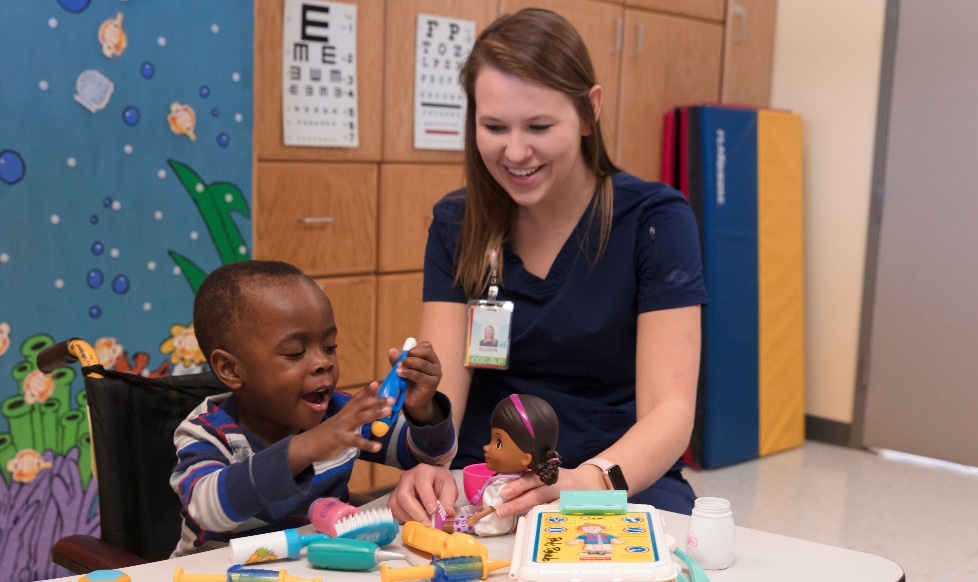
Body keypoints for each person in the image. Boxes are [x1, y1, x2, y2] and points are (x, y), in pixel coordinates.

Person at [387, 7, 706, 526]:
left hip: (618, 474)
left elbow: (670, 414)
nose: (515, 151)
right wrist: (431, 466)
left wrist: (584, 484)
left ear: (588, 112)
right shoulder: (457, 223)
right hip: (487, 478)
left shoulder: (654, 221)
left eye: (539, 125)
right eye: (493, 126)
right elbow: (442, 396)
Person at [169, 260, 456, 556]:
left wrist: (423, 408)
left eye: (330, 346)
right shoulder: (206, 432)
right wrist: (306, 447)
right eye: (295, 352)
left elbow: (429, 457)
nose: (324, 362)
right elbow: (206, 508)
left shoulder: (338, 415)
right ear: (231, 368)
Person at [438, 393, 560, 536]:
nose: (486, 447)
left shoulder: (508, 486)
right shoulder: (504, 479)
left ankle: (438, 527)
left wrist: (478, 516)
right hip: (488, 516)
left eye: (498, 443)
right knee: (463, 516)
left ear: (525, 459)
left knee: (463, 525)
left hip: (494, 523)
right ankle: (442, 523)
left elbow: (494, 507)